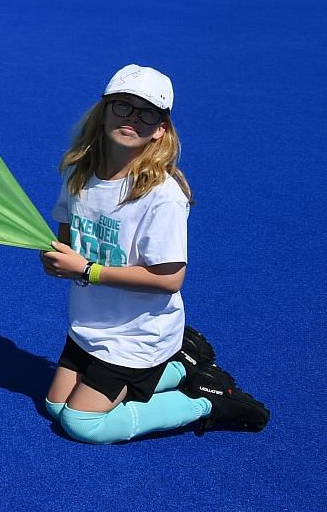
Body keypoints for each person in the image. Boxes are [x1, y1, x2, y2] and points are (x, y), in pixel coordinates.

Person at [36, 65, 268, 442]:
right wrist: (58, 260)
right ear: (104, 111)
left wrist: (87, 271)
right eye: (123, 107)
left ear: (161, 128)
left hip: (137, 336)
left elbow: (169, 278)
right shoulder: (79, 172)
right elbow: (68, 237)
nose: (132, 119)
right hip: (89, 325)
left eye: (147, 113)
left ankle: (207, 402)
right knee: (55, 407)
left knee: (81, 423)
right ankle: (181, 366)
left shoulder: (161, 196)